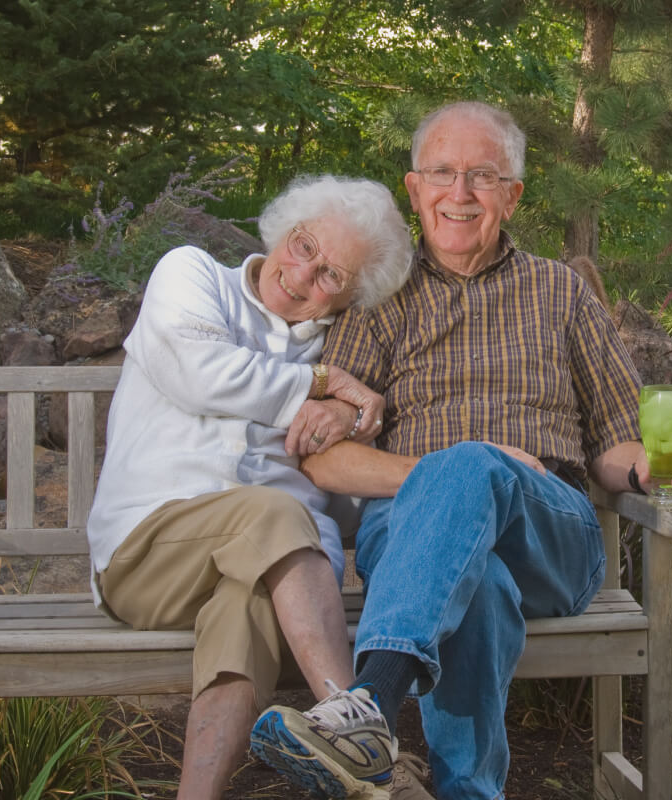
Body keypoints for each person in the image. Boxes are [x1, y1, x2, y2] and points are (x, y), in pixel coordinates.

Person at [249, 101, 672, 800]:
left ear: (512, 195)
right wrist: (451, 474)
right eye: (441, 173)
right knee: (479, 580)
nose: (459, 194)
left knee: (471, 471)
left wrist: (651, 467)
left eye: (482, 176)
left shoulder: (561, 293)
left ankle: (369, 703)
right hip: (412, 536)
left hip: (549, 534)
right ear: (413, 189)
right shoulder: (381, 301)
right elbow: (323, 458)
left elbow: (618, 441)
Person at [86, 174, 415, 800]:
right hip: (147, 554)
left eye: (331, 277)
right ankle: (357, 723)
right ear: (282, 229)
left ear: (349, 300)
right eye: (304, 245)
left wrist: (350, 423)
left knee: (248, 608)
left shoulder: (334, 351)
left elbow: (342, 510)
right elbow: (200, 371)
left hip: (254, 570)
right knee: (273, 512)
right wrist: (321, 387)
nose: (302, 274)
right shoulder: (194, 276)